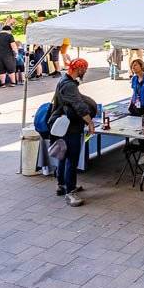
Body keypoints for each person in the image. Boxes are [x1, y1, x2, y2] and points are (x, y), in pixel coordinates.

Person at [49, 58, 95, 206]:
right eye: (85, 69)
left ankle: (61, 184)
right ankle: (70, 192)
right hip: (70, 127)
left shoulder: (64, 80)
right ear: (79, 69)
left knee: (63, 155)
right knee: (71, 158)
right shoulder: (69, 85)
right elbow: (79, 106)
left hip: (63, 126)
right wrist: (90, 122)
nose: (85, 72)